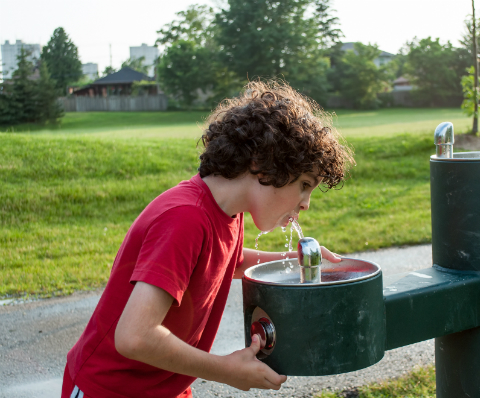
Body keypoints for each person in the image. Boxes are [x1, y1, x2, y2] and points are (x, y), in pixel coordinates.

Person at [61, 80, 354, 398]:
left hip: (166, 385)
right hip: (111, 388)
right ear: (262, 164)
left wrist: (293, 262)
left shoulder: (227, 210)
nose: (306, 203)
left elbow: (229, 261)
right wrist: (227, 370)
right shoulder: (184, 218)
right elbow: (135, 337)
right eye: (304, 184)